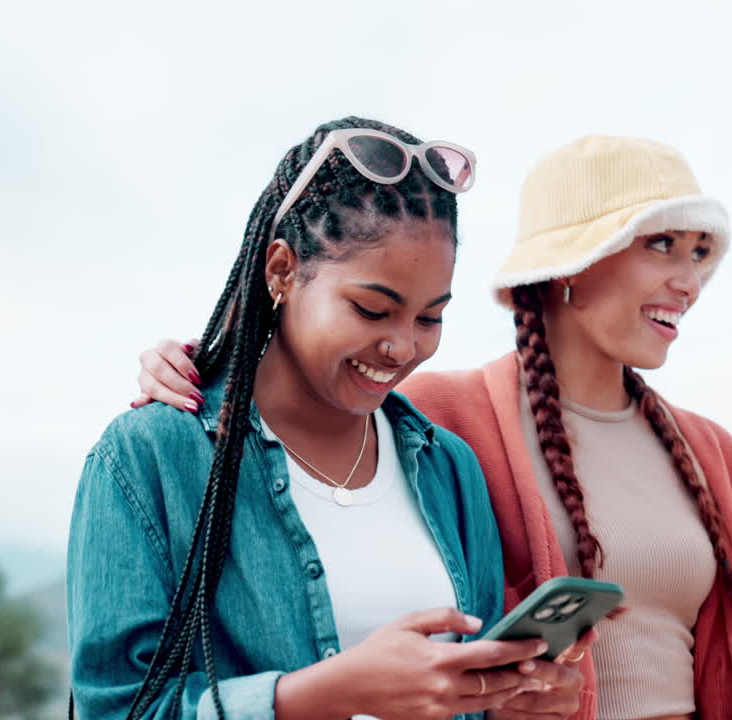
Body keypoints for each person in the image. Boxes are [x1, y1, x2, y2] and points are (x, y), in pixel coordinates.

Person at [131, 135, 732, 720]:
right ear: (568, 267)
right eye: (660, 246)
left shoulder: (714, 455)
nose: (688, 281)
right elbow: (307, 402)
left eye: (700, 255)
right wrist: (199, 370)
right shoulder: (439, 422)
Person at [68, 117, 593, 720]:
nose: (402, 348)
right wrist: (322, 696)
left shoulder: (447, 468)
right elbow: (116, 710)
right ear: (282, 271)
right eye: (372, 310)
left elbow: (470, 693)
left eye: (429, 318)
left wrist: (513, 702)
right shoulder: (152, 456)